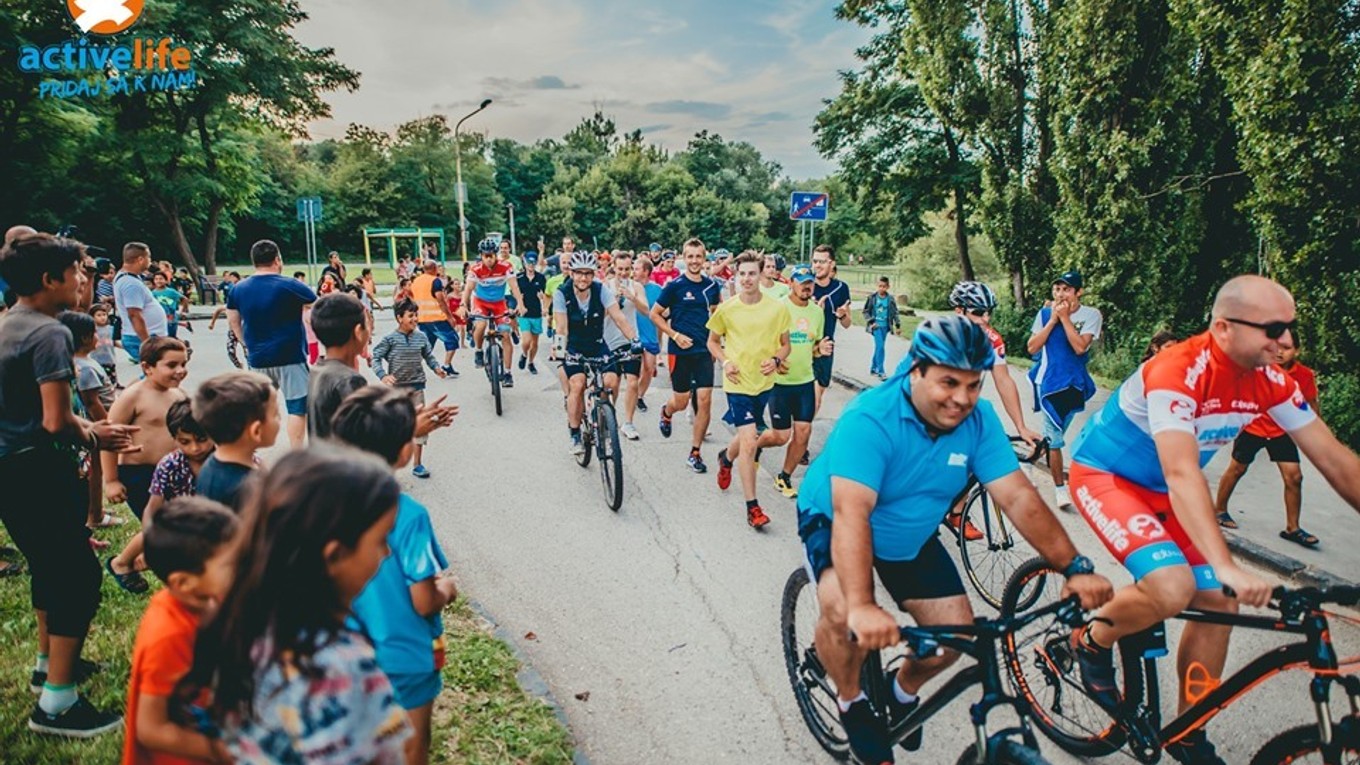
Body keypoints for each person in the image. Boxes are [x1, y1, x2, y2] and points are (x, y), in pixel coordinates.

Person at [1066, 275, 1360, 764]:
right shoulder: (1177, 369)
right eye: (1272, 328)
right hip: (1108, 477)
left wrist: (1223, 577)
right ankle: (1089, 639)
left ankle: (1187, 729)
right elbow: (1182, 474)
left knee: (1220, 602)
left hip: (1163, 490)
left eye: (1290, 327)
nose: (1285, 341)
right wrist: (1225, 563)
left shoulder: (1270, 380)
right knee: (1173, 587)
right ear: (1224, 328)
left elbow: (1334, 460)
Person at [797, 315, 1114, 764]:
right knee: (841, 610)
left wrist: (1075, 567)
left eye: (973, 385)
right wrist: (864, 606)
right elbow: (853, 515)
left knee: (955, 636)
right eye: (949, 382)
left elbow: (1019, 498)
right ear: (915, 370)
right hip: (837, 520)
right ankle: (852, 700)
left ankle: (899, 691)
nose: (962, 398)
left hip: (911, 529)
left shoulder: (978, 420)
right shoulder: (870, 420)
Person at [176, 446, 413, 763]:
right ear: (334, 556)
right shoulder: (337, 666)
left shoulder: (246, 620)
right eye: (381, 539)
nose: (386, 553)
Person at [0, 232, 137, 737]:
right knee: (78, 575)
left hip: (9, 469)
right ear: (48, 280)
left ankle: (47, 666)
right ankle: (57, 705)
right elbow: (57, 420)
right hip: (37, 467)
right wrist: (96, 432)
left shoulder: (8, 322)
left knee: (48, 565)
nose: (83, 279)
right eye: (76, 272)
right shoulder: (48, 332)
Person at [332, 387, 458, 765]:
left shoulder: (319, 502)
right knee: (410, 748)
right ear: (405, 450)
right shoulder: (408, 515)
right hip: (403, 657)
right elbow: (423, 600)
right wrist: (446, 591)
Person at [123, 497, 238, 765]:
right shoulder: (168, 635)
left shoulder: (206, 597)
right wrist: (222, 751)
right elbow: (151, 729)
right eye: (231, 564)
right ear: (184, 582)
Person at [1214, 328, 1321, 546]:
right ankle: (1220, 510)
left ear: (1297, 351)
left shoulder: (1305, 376)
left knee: (1294, 477)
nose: (1280, 353)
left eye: (1287, 348)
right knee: (1237, 469)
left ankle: (1293, 528)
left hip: (1282, 431)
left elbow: (1310, 403)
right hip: (1253, 427)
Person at [709, 252, 791, 529]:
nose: (746, 279)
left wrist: (777, 360)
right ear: (735, 275)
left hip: (764, 383)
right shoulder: (727, 309)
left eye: (751, 273)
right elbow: (712, 342)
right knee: (749, 442)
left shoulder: (777, 309)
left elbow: (785, 345)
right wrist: (726, 361)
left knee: (751, 436)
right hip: (737, 383)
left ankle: (725, 457)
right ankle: (752, 507)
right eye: (741, 274)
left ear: (761, 274)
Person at [107, 399, 217, 607]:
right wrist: (153, 546)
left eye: (202, 439)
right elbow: (152, 509)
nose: (195, 448)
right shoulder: (169, 465)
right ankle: (123, 563)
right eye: (185, 441)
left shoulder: (227, 459)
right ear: (174, 439)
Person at [101, 336, 190, 593]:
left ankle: (137, 561)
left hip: (174, 472)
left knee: (177, 525)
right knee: (159, 526)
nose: (180, 370)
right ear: (147, 367)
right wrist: (112, 480)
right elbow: (109, 438)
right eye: (171, 365)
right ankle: (124, 563)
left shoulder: (179, 394)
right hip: (140, 474)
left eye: (183, 364)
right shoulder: (133, 397)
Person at [226, 240, 316, 448]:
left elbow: (233, 321)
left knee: (258, 407)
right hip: (290, 356)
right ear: (277, 259)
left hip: (258, 358)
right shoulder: (290, 285)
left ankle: (252, 449)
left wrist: (245, 343)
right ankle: (296, 452)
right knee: (297, 408)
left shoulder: (238, 289)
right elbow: (314, 303)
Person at [1025, 270, 1102, 510]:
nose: (1060, 294)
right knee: (1056, 439)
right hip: (1048, 382)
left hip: (1075, 383)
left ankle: (1027, 464)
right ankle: (1060, 491)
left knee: (1053, 436)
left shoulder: (1091, 315)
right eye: (1057, 289)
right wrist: (1052, 321)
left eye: (1066, 289)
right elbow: (1031, 347)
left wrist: (1066, 319)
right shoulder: (1045, 314)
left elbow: (1081, 347)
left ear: (1078, 292)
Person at [553, 251, 642, 455]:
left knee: (611, 381)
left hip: (597, 343)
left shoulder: (601, 290)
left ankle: (603, 419)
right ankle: (575, 433)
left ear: (594, 274)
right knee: (577, 384)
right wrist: (560, 351)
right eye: (579, 273)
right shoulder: (561, 293)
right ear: (572, 273)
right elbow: (562, 327)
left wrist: (634, 340)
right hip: (574, 345)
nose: (583, 278)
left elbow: (619, 318)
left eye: (588, 273)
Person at [651, 238, 724, 473]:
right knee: (681, 402)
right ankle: (667, 411)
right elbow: (655, 314)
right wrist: (674, 335)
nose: (694, 261)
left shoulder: (712, 287)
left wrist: (716, 344)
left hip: (703, 351)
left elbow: (716, 317)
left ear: (704, 259)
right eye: (690, 256)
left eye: (698, 256)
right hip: (679, 352)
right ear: (684, 258)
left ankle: (695, 452)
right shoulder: (674, 286)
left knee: (704, 400)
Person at [770, 265, 830, 499]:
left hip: (805, 381)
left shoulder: (817, 312)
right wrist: (774, 358)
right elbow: (764, 340)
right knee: (779, 436)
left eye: (810, 282)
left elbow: (813, 347)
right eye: (802, 281)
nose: (807, 286)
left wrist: (820, 349)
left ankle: (784, 477)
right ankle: (753, 447)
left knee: (803, 433)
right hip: (779, 382)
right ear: (791, 283)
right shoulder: (779, 307)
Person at [373, 300, 447, 477]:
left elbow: (428, 356)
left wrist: (437, 368)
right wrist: (383, 375)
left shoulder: (421, 337)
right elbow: (375, 357)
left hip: (416, 388)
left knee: (420, 424)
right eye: (410, 316)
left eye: (416, 315)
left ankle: (417, 464)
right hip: (396, 391)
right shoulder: (390, 339)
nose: (415, 319)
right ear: (399, 318)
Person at [194, 371, 278, 511]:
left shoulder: (211, 467)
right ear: (256, 431)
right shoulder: (248, 489)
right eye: (276, 415)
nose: (278, 420)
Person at [459, 238, 524, 388]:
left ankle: (508, 373)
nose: (488, 259)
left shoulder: (506, 267)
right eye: (485, 256)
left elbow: (514, 287)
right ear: (481, 256)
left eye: (491, 255)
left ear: (496, 255)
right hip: (481, 302)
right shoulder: (475, 269)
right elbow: (468, 290)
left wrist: (521, 304)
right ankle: (479, 351)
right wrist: (463, 305)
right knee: (480, 325)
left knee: (506, 335)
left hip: (499, 303)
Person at [306, 293, 371, 440]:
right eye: (367, 324)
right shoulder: (349, 380)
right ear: (358, 332)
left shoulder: (317, 370)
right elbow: (365, 437)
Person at [604, 250, 648, 440]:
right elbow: (600, 316)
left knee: (632, 382)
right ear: (613, 267)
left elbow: (647, 310)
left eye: (627, 269)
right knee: (611, 383)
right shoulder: (604, 286)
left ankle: (628, 422)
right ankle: (608, 414)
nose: (623, 273)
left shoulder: (636, 286)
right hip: (609, 341)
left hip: (630, 340)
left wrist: (632, 297)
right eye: (620, 269)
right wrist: (612, 303)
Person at [810, 244, 852, 415]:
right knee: (808, 398)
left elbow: (847, 323)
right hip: (804, 346)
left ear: (832, 264)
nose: (817, 265)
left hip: (826, 347)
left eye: (822, 261)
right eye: (814, 261)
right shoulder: (805, 284)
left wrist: (842, 314)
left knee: (817, 399)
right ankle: (798, 434)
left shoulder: (841, 288)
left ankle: (802, 433)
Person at [115, 242, 168, 364]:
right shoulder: (130, 283)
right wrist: (147, 342)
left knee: (152, 377)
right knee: (155, 376)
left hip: (146, 335)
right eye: (148, 257)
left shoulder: (130, 277)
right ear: (140, 259)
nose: (150, 261)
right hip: (141, 337)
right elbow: (134, 315)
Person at [410, 259, 461, 378]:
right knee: (452, 339)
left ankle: (413, 368)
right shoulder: (435, 281)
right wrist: (450, 316)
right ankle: (447, 365)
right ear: (434, 269)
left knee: (427, 345)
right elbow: (440, 300)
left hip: (422, 318)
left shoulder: (416, 281)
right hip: (437, 317)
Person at [632, 254, 663, 413]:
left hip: (650, 333)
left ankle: (639, 396)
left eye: (637, 269)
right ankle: (633, 395)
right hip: (634, 334)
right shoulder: (629, 287)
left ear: (646, 271)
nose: (634, 272)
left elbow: (664, 313)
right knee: (635, 370)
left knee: (649, 368)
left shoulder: (657, 290)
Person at [516, 251, 549, 375]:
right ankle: (524, 354)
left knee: (534, 342)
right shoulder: (519, 278)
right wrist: (518, 304)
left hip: (536, 312)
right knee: (526, 340)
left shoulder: (540, 278)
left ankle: (531, 362)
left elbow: (546, 295)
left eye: (533, 263)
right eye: (529, 262)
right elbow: (515, 293)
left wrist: (544, 305)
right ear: (524, 263)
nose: (531, 265)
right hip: (524, 313)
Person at [863, 276, 900, 378]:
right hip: (876, 327)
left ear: (888, 287)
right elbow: (866, 312)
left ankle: (873, 368)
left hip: (885, 326)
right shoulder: (872, 298)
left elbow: (895, 313)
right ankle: (881, 371)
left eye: (884, 286)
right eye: (880, 286)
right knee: (881, 347)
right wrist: (871, 322)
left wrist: (898, 325)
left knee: (879, 348)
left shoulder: (890, 299)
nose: (882, 288)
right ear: (877, 286)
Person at [89, 302, 120, 388]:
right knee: (102, 378)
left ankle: (115, 385)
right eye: (99, 315)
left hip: (110, 358)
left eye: (104, 315)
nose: (102, 317)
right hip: (97, 359)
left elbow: (112, 341)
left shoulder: (110, 328)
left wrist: (121, 346)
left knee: (112, 374)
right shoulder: (93, 330)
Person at [151, 271, 188, 339]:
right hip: (159, 318)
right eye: (156, 279)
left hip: (171, 317)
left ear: (165, 280)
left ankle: (183, 346)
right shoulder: (152, 293)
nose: (158, 281)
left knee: (171, 337)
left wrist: (181, 311)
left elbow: (184, 299)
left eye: (161, 279)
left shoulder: (171, 291)